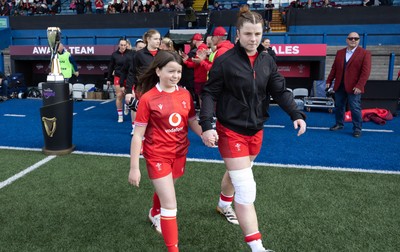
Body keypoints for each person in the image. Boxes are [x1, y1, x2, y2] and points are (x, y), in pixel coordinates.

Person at [200, 5, 306, 251]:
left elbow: (279, 90)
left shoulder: (267, 59)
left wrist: (295, 114)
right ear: (237, 34)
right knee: (246, 188)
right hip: (230, 130)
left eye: (257, 34)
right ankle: (257, 247)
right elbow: (208, 93)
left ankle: (223, 204)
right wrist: (207, 125)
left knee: (238, 173)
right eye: (248, 34)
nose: (253, 39)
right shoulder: (225, 61)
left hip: (256, 130)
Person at [128, 50, 207, 252]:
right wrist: (134, 168)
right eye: (171, 71)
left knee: (166, 190)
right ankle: (173, 248)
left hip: (180, 154)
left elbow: (191, 121)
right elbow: (138, 135)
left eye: (179, 72)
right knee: (170, 204)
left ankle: (154, 212)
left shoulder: (185, 94)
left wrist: (204, 134)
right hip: (157, 156)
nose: (175, 76)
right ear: (158, 71)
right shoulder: (148, 99)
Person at [326, 32, 371, 138]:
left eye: (356, 38)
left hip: (354, 87)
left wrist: (360, 86)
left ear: (359, 40)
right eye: (351, 38)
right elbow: (334, 69)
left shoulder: (365, 53)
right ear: (347, 40)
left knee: (355, 108)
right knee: (339, 106)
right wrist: (329, 81)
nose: (353, 40)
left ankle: (357, 129)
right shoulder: (340, 53)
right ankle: (339, 124)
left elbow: (365, 72)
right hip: (339, 85)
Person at [125, 29, 160, 134]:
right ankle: (140, 138)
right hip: (143, 89)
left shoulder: (163, 54)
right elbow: (131, 73)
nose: (158, 41)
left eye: (159, 39)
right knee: (143, 115)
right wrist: (128, 92)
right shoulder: (138, 54)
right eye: (156, 39)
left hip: (159, 90)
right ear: (148, 39)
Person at [180, 33, 208, 109]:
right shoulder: (205, 47)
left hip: (200, 77)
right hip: (205, 76)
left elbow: (195, 64)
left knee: (201, 96)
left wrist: (185, 61)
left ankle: (203, 114)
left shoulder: (200, 49)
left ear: (194, 41)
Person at [106, 38, 129, 123]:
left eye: (124, 45)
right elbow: (111, 67)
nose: (123, 47)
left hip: (128, 77)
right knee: (119, 95)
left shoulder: (130, 54)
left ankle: (127, 105)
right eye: (121, 45)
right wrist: (109, 79)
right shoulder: (114, 55)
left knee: (128, 96)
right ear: (119, 45)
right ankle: (120, 116)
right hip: (118, 77)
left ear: (127, 45)